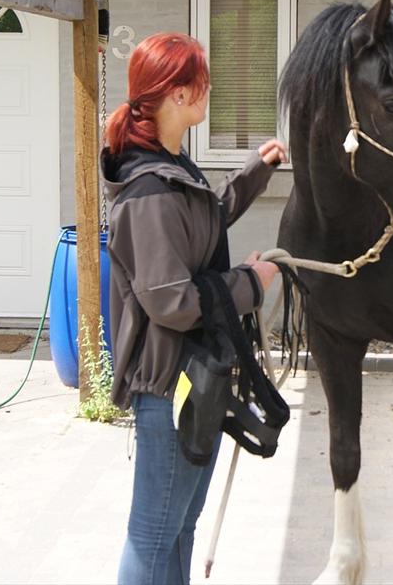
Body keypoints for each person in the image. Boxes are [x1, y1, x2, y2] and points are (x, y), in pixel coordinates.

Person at [101, 32, 286, 585]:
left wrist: (256, 171)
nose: (210, 93)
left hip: (193, 376)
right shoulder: (148, 190)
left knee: (180, 525)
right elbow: (171, 300)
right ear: (178, 95)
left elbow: (202, 223)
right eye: (203, 83)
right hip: (168, 386)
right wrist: (249, 283)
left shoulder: (171, 166)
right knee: (155, 531)